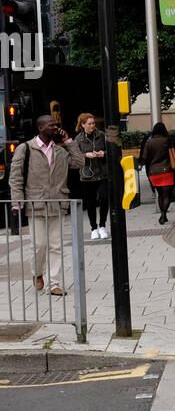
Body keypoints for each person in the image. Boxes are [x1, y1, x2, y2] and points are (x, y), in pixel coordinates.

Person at [8, 113, 85, 295]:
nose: (55, 127)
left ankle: (54, 284)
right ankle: (37, 272)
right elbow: (16, 177)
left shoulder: (60, 151)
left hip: (58, 203)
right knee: (39, 245)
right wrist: (16, 203)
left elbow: (79, 162)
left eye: (56, 124)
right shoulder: (26, 148)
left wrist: (68, 142)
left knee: (56, 246)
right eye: (51, 125)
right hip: (35, 205)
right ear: (41, 127)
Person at [74, 112, 109, 240]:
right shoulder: (78, 140)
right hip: (87, 175)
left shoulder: (101, 135)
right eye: (89, 124)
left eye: (93, 123)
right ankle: (93, 228)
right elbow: (74, 157)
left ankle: (103, 225)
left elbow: (111, 150)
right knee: (90, 203)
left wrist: (102, 154)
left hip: (102, 173)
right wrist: (85, 155)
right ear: (82, 125)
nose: (92, 126)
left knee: (104, 198)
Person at [140, 122, 174, 224]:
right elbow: (173, 153)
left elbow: (144, 158)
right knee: (167, 195)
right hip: (167, 170)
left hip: (154, 172)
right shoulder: (167, 140)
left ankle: (162, 214)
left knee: (160, 195)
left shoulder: (149, 142)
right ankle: (163, 214)